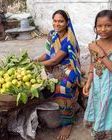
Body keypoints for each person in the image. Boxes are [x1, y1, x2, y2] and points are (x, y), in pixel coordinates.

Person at [37, 10, 83, 140]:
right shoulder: (52, 35)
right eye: (55, 21)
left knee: (62, 87)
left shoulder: (69, 38)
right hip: (54, 66)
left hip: (69, 67)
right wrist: (34, 61)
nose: (57, 24)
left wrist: (38, 65)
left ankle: (67, 123)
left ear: (67, 22)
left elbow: (55, 60)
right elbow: (47, 55)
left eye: (61, 21)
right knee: (39, 81)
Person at [83, 10, 112, 140]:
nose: (103, 29)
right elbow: (92, 64)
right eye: (99, 26)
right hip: (97, 85)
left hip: (110, 87)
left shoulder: (96, 47)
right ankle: (100, 131)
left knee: (108, 109)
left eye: (108, 25)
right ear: (95, 27)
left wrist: (100, 52)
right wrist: (88, 82)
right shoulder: (93, 45)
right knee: (99, 107)